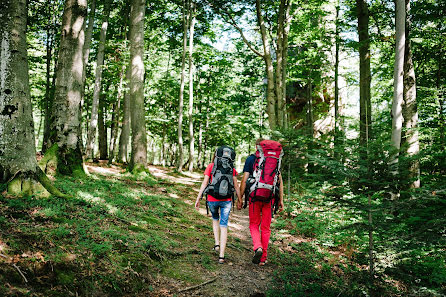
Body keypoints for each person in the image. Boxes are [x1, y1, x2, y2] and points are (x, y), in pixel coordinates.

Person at [238, 138, 284, 266]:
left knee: (254, 224)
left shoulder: (251, 159)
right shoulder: (275, 160)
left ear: (257, 147)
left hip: (254, 195)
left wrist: (240, 198)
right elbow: (279, 181)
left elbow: (244, 179)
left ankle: (257, 247)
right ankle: (263, 258)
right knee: (266, 228)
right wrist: (281, 200)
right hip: (270, 196)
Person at [195, 150, 241, 264]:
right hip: (226, 201)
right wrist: (240, 199)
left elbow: (204, 183)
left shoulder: (211, 166)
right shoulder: (232, 168)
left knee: (215, 219)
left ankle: (217, 244)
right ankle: (221, 256)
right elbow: (236, 185)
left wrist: (198, 198)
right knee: (224, 225)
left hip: (212, 199)